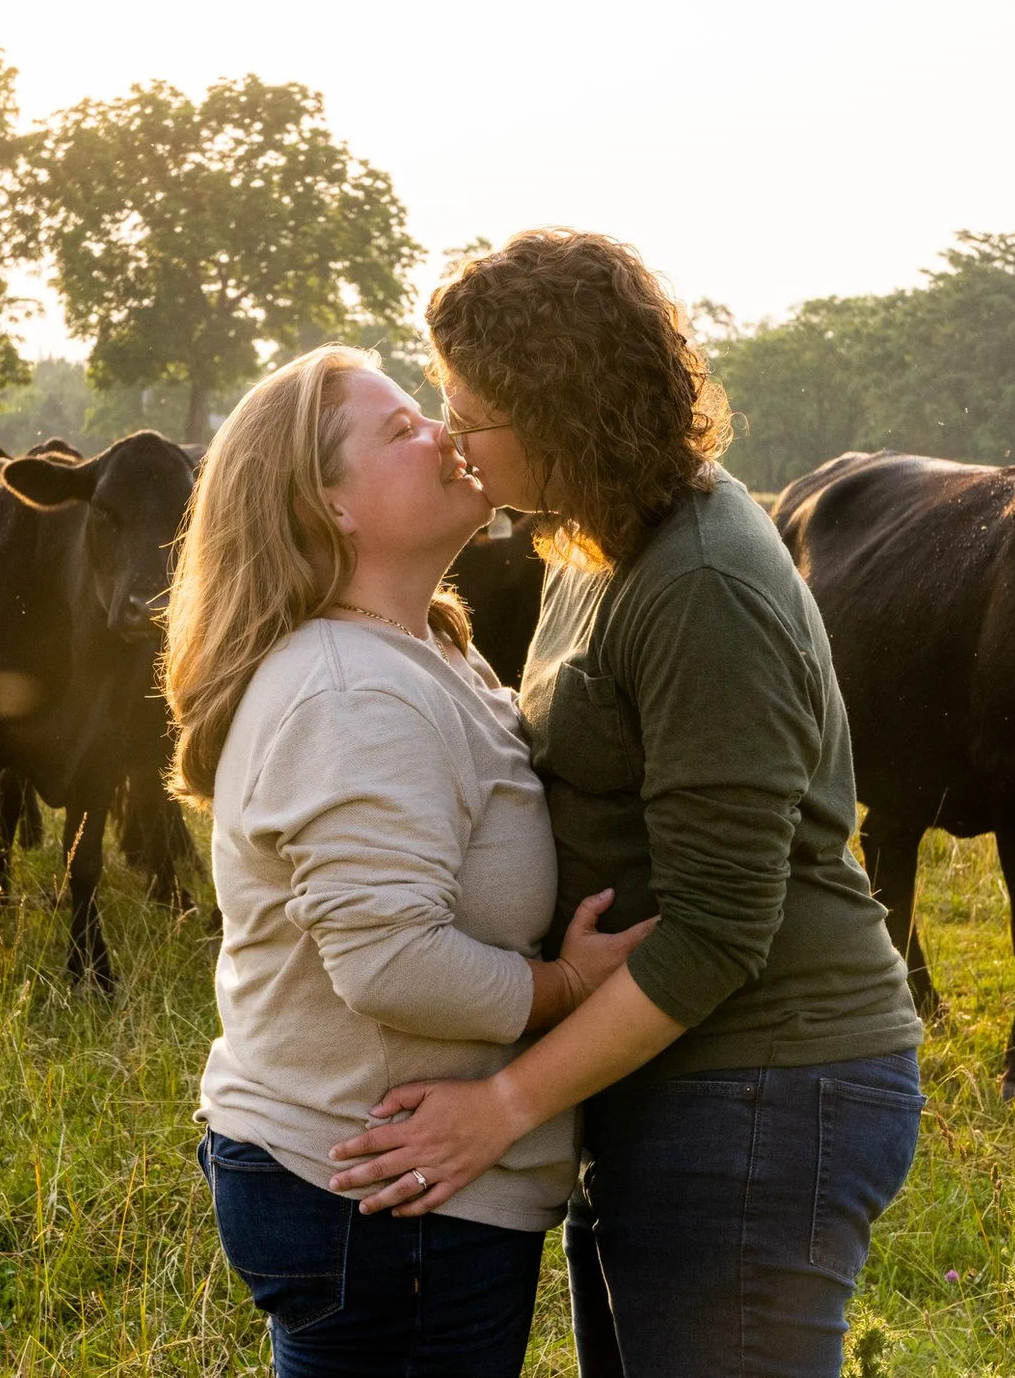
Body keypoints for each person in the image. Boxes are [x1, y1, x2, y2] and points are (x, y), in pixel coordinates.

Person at [327, 229, 925, 1378]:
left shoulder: (700, 583)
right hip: (666, 1074)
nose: (452, 438)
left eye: (471, 413)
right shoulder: (595, 543)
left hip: (761, 1083)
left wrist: (500, 1105)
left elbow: (716, 929)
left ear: (561, 413)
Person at [168, 344, 656, 1378]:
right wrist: (565, 987)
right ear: (327, 506)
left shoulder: (426, 648)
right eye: (399, 430)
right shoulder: (357, 691)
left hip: (388, 1187)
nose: (443, 431)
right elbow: (392, 964)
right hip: (388, 1197)